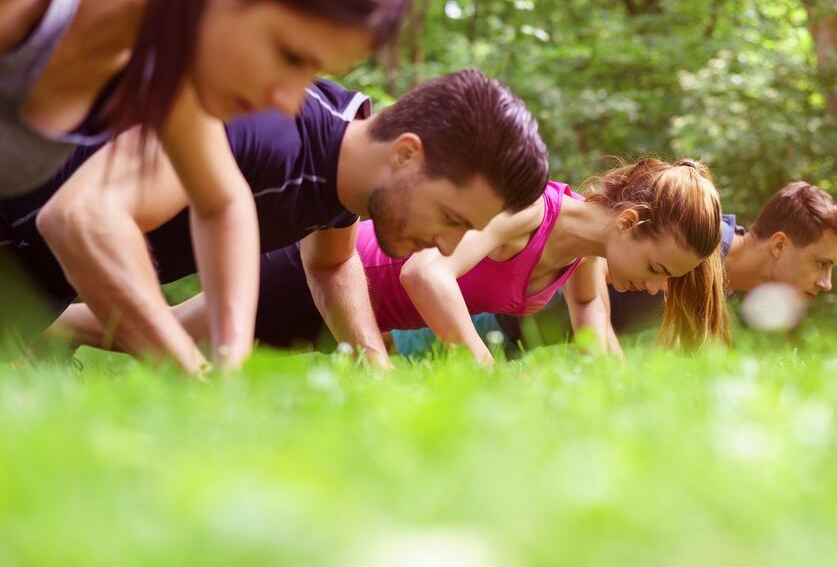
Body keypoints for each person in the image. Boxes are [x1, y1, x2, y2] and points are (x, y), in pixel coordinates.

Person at [0, 0, 405, 371]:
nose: (287, 101)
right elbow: (79, 217)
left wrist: (227, 370)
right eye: (290, 55)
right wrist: (186, 367)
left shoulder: (170, 71)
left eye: (312, 72)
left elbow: (222, 203)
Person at [42, 70, 549, 368]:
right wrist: (190, 370)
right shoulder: (271, 130)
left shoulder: (347, 168)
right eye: (450, 217)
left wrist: (373, 363)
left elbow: (332, 264)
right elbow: (86, 217)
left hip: (39, 293)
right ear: (406, 155)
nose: (448, 247)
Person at [127, 158, 731, 365]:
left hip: (353, 321)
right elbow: (424, 272)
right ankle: (68, 305)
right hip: (329, 277)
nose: (656, 290)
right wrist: (481, 367)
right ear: (628, 222)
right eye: (658, 271)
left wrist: (614, 395)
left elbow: (592, 319)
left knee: (162, 338)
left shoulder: (588, 254)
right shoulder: (528, 211)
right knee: (150, 334)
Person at [474, 180, 837, 346]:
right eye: (821, 263)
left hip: (516, 344)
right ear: (779, 245)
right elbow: (593, 264)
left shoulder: (717, 278)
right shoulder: (691, 246)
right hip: (487, 318)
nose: (826, 283)